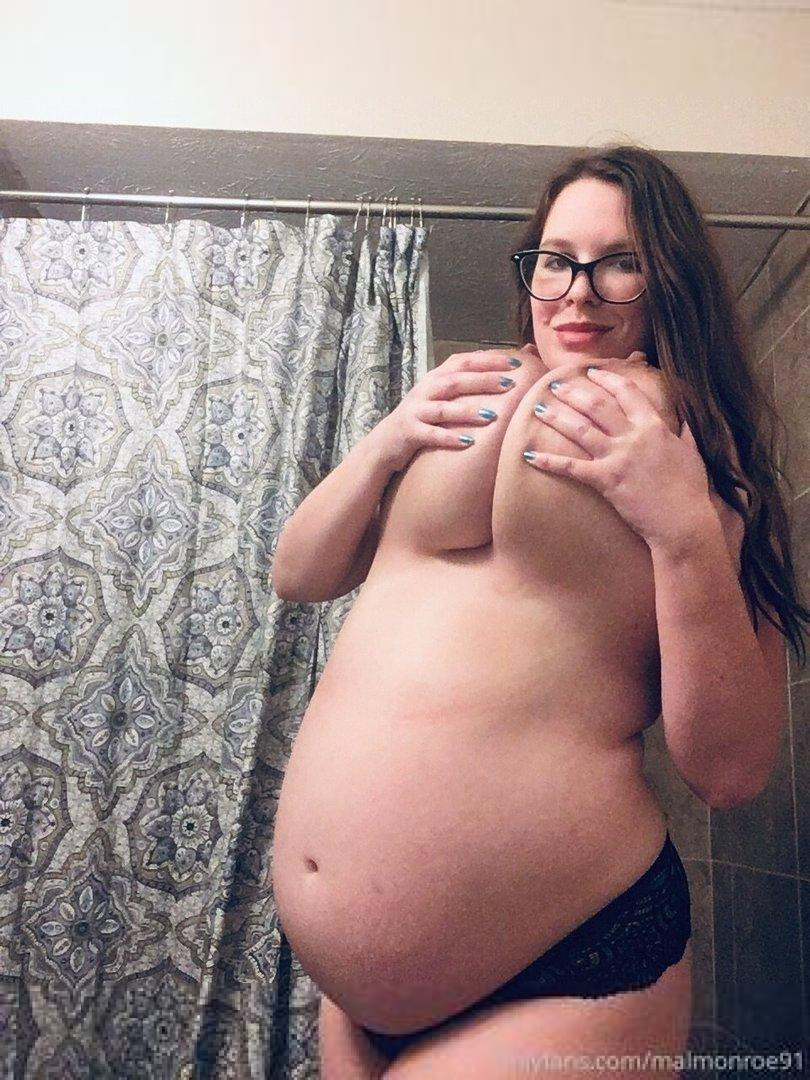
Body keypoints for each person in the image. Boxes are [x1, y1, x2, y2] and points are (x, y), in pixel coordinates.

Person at [270, 144, 809, 1079]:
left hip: (567, 963)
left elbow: (729, 769)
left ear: (668, 279)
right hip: (355, 1002)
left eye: (620, 262)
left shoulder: (696, 445)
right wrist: (387, 440)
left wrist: (684, 528)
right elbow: (298, 573)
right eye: (557, 260)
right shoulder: (464, 392)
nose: (578, 293)